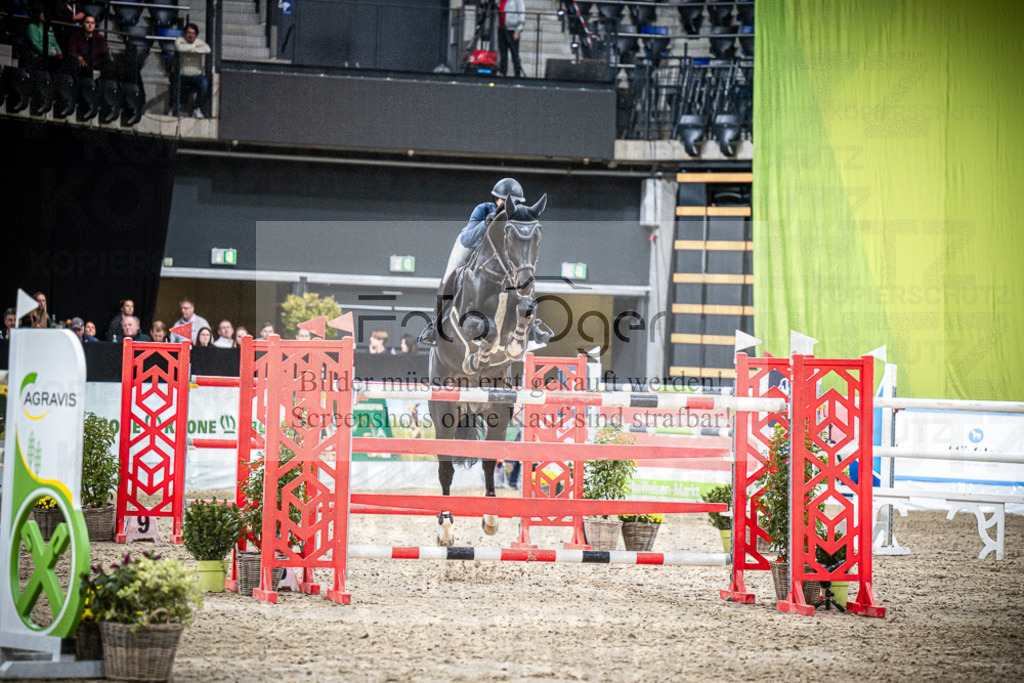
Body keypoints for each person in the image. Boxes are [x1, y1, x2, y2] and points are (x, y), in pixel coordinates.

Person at [419, 178, 523, 345]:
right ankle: (434, 325)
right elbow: (468, 239)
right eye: (504, 201)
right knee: (449, 277)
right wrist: (486, 222)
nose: (508, 205)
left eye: (513, 202)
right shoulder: (483, 209)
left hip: (498, 256)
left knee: (523, 279)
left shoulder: (518, 217)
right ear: (496, 200)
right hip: (470, 247)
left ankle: (531, 326)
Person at [174, 23, 211, 118]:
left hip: (196, 75)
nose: (190, 35)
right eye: (188, 33)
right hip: (182, 74)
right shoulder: (179, 40)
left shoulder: (199, 41)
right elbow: (179, 48)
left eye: (193, 33)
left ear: (196, 34)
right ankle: (174, 107)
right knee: (174, 82)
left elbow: (207, 49)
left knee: (205, 84)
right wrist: (195, 48)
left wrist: (188, 48)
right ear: (184, 33)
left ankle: (196, 108)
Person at [27, 5, 62, 71]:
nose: (45, 14)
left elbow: (54, 41)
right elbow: (36, 45)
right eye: (42, 12)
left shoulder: (48, 26)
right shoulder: (32, 27)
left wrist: (59, 52)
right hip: (39, 56)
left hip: (53, 54)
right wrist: (50, 53)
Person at [498, 0, 525, 78]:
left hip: (512, 29)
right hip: (502, 28)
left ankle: (517, 74)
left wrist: (518, 30)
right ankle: (503, 72)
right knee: (503, 52)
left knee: (514, 53)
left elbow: (521, 14)